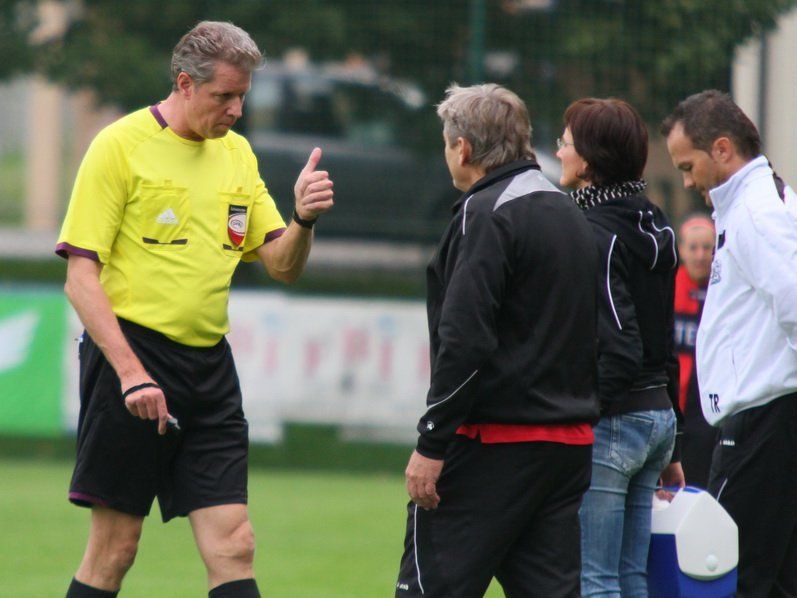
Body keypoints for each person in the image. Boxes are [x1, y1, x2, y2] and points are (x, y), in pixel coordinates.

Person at [55, 21, 333, 598]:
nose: (236, 109)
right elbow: (81, 279)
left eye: (242, 97)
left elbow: (280, 262)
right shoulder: (119, 146)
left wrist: (302, 219)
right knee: (114, 551)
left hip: (209, 369)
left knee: (235, 544)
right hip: (133, 364)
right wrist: (132, 376)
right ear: (185, 83)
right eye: (223, 96)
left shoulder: (238, 155)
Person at [394, 83, 600, 597]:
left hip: (492, 445)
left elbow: (464, 337)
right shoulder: (569, 212)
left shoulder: (485, 213)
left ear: (462, 148)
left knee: (428, 589)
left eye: (447, 145)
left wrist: (433, 440)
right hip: (565, 448)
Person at [662, 89, 797, 598]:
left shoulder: (757, 214)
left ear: (722, 149)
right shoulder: (758, 204)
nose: (687, 180)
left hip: (764, 421)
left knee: (727, 577)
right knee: (777, 579)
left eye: (688, 165)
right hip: (770, 420)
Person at [555, 97, 684, 597]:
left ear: (587, 160)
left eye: (565, 143)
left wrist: (585, 414)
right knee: (632, 577)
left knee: (596, 580)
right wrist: (669, 432)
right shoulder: (656, 223)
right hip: (657, 418)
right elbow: (662, 335)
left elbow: (621, 346)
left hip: (616, 422)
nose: (558, 151)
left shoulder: (595, 233)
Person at [673, 214, 717, 488]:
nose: (701, 256)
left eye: (707, 248)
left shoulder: (723, 290)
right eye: (693, 248)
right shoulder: (668, 287)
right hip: (674, 407)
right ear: (681, 249)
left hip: (709, 409)